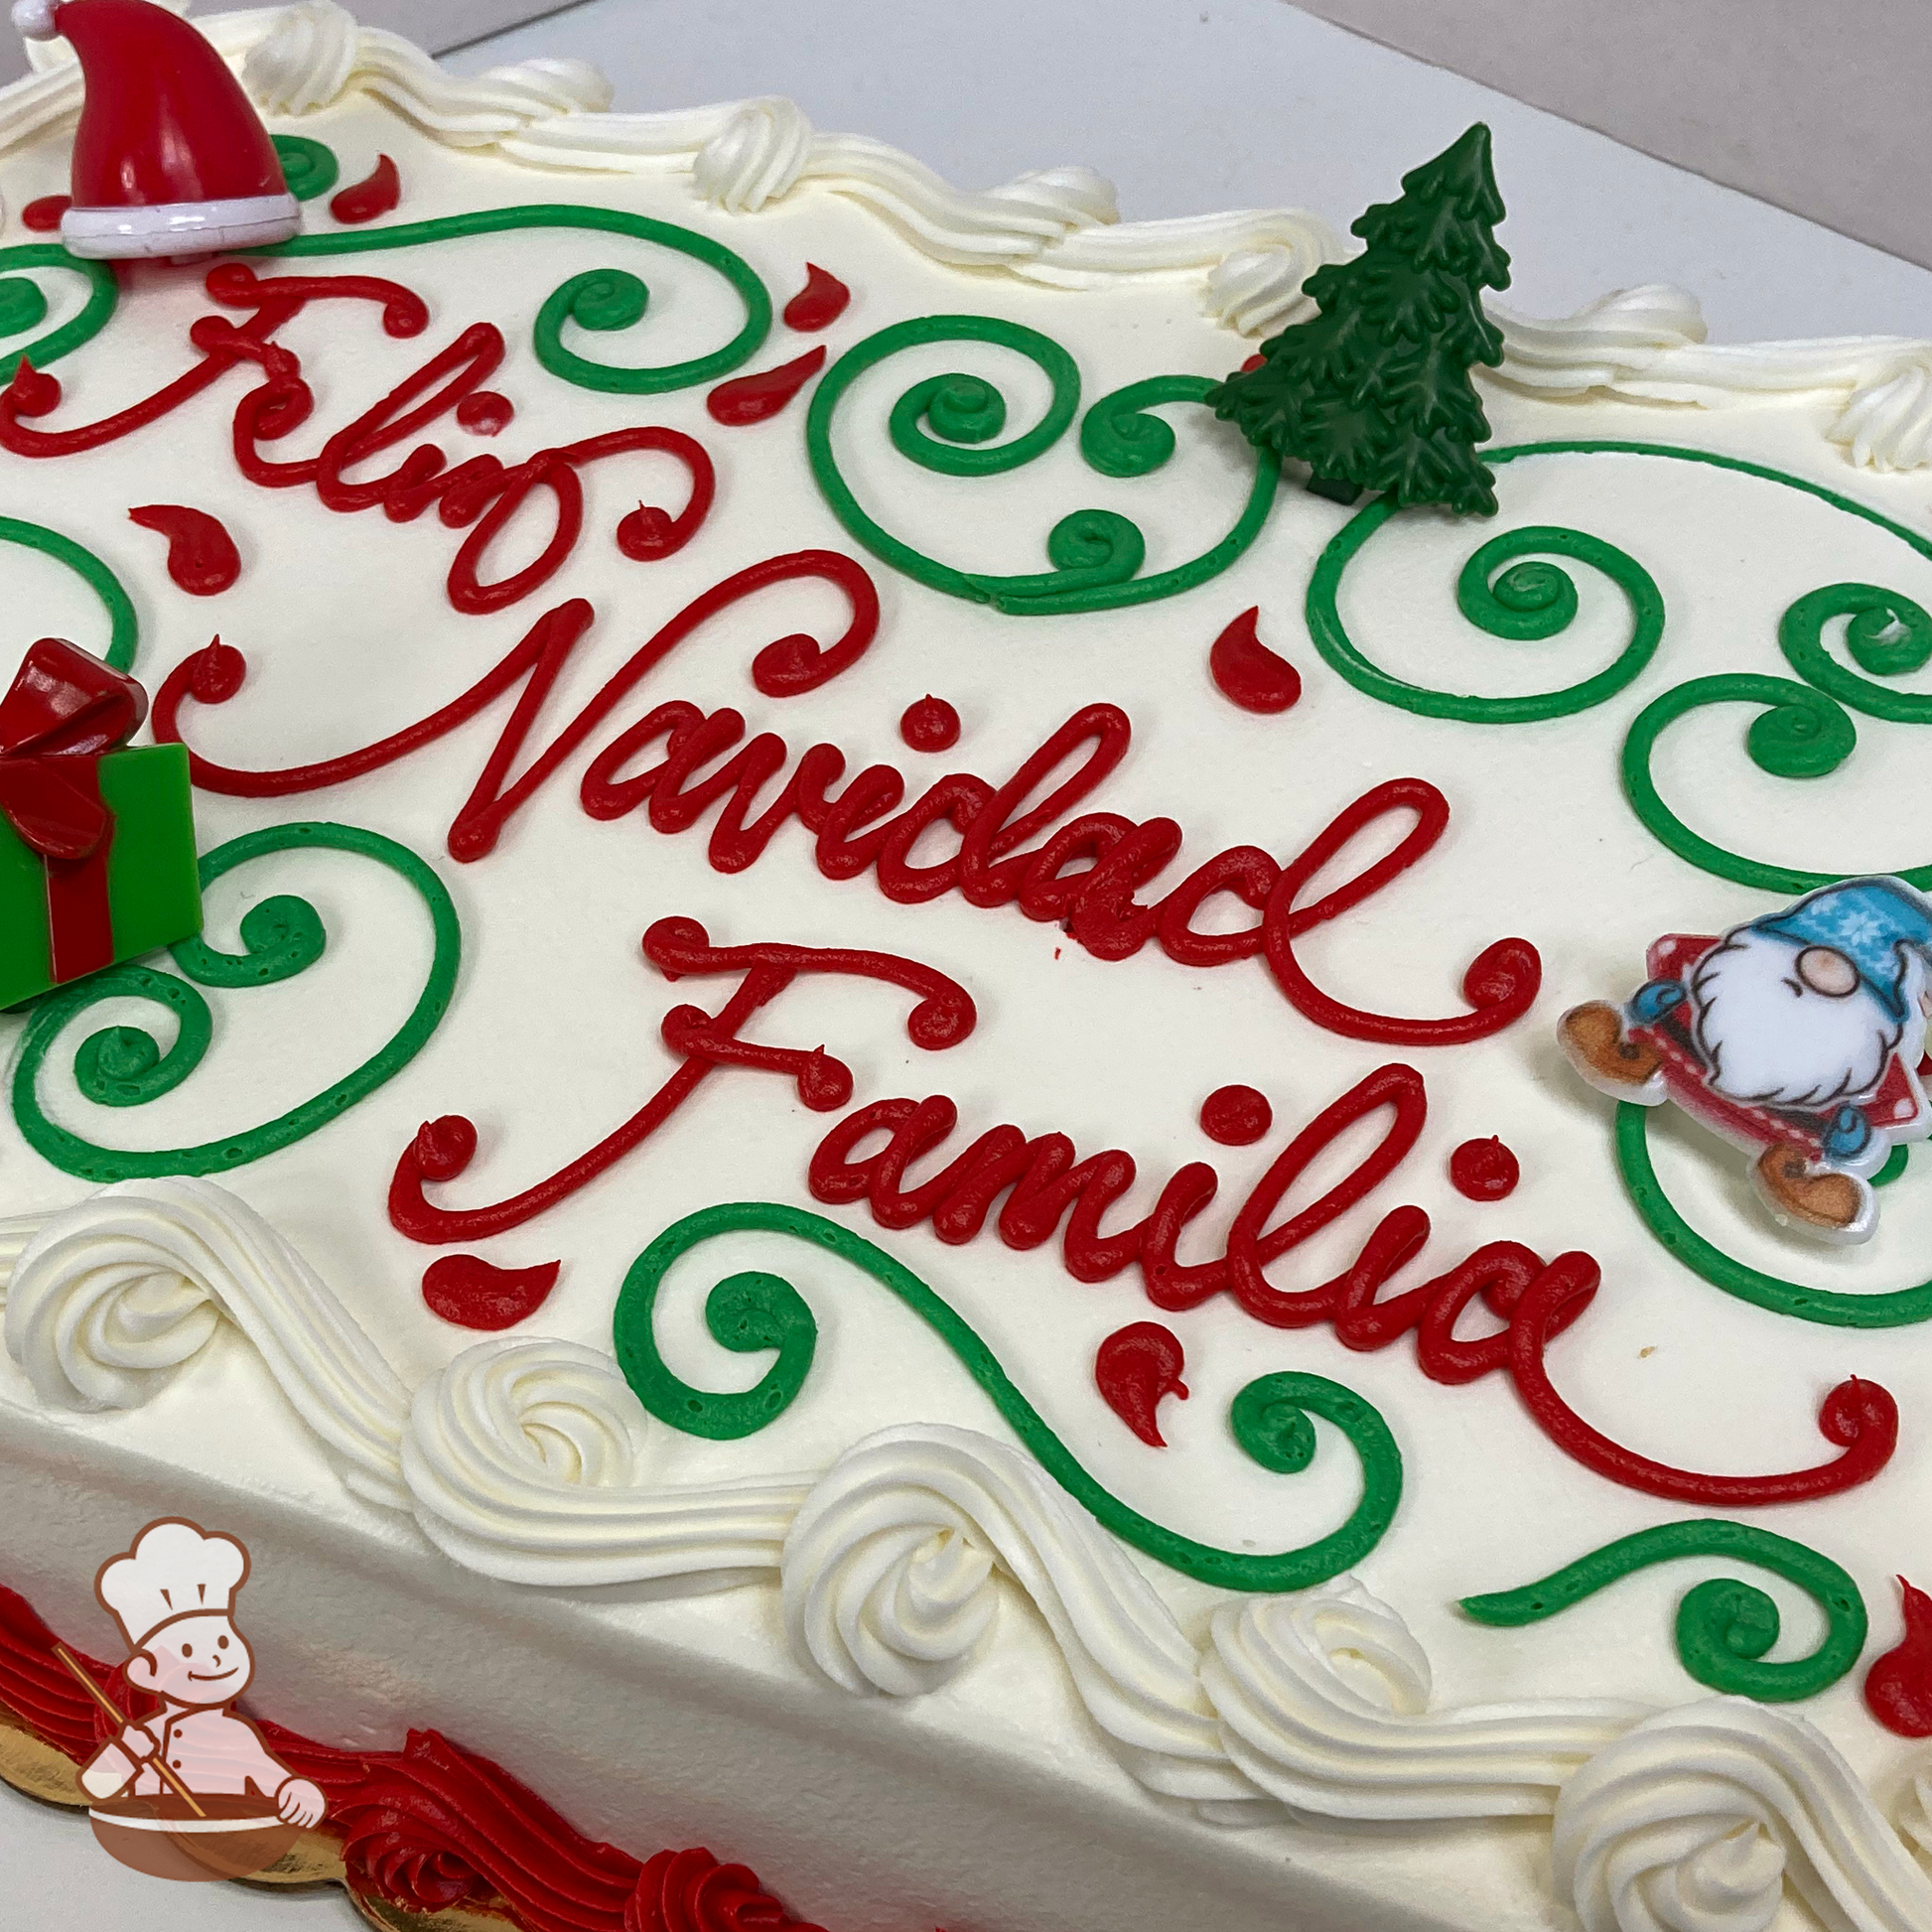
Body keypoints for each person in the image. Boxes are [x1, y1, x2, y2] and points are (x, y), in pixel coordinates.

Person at [1560, 875, 1932, 1243]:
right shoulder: (1704, 982)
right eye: (1806, 956)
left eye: (1848, 981)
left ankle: (1809, 1186)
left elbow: (1882, 1113)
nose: (1817, 980)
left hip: (1795, 1136)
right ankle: (1615, 1050)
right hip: (1666, 1052)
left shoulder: (1872, 1070)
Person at [77, 1518, 327, 1827]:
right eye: (186, 1650)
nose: (213, 1656)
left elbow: (278, 1784)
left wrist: (300, 1793)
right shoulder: (149, 1735)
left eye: (222, 1641)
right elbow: (96, 1786)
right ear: (146, 1673)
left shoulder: (237, 1736)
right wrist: (127, 1754)